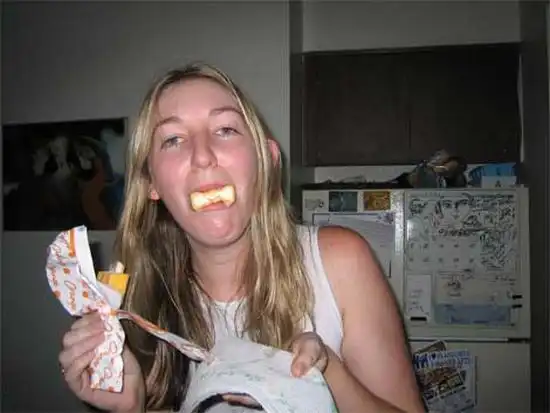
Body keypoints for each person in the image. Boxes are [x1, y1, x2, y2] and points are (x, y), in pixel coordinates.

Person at [58, 62, 425, 413]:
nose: (203, 156)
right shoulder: (132, 302)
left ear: (266, 159)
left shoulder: (340, 261)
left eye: (225, 130)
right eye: (173, 139)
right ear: (151, 182)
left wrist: (327, 371)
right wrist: (131, 408)